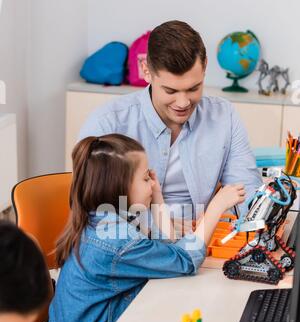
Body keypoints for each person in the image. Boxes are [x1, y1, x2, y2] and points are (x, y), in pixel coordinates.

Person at [48, 133, 245, 322]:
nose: (152, 182)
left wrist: (157, 196)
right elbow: (185, 260)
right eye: (145, 178)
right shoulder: (116, 240)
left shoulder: (105, 219)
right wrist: (216, 207)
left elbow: (167, 251)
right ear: (119, 186)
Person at [79, 20, 262, 229]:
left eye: (194, 88)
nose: (183, 103)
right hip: (132, 246)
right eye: (170, 91)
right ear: (146, 71)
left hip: (202, 242)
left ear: (205, 68)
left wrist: (219, 224)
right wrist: (158, 226)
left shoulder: (224, 116)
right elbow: (92, 213)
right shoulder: (108, 122)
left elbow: (247, 192)